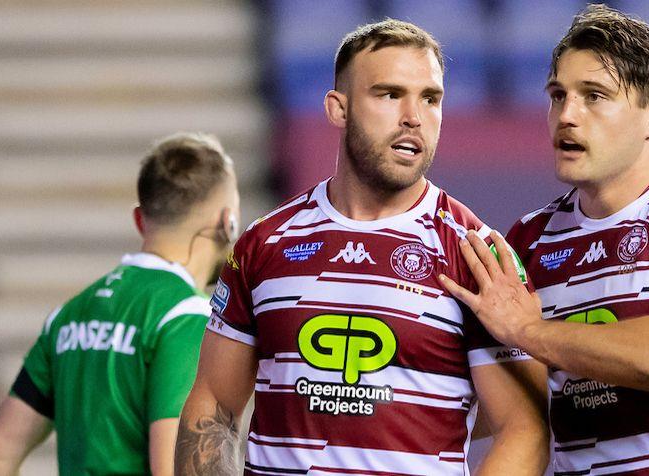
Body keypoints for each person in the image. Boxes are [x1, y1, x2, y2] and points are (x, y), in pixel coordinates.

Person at [174, 19, 548, 476]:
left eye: (430, 99)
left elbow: (525, 430)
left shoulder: (476, 252)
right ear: (338, 108)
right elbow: (214, 401)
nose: (414, 115)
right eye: (390, 94)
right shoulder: (264, 242)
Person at [439, 4, 649, 475]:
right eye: (558, 95)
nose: (566, 116)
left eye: (594, 96)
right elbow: (517, 421)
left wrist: (530, 333)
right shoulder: (529, 241)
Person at [0, 132, 241, 476]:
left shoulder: (70, 315)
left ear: (140, 220)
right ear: (227, 223)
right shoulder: (186, 317)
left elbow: (0, 452)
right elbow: (173, 468)